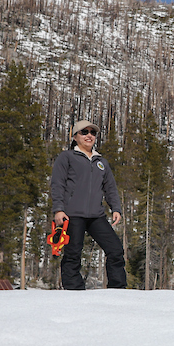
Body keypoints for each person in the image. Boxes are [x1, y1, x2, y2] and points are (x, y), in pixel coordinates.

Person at [50, 120, 126, 290]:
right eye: (84, 132)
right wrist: (59, 210)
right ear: (75, 136)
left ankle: (118, 290)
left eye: (93, 132)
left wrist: (116, 209)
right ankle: (74, 292)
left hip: (96, 215)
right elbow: (57, 184)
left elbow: (110, 187)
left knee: (115, 250)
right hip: (72, 214)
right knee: (72, 255)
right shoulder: (66, 157)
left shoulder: (101, 162)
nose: (89, 135)